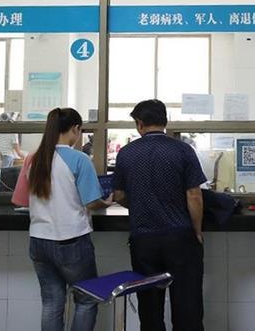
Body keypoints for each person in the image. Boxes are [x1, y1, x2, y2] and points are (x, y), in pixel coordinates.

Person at [12, 108, 112, 331]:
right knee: (86, 300)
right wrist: (106, 203)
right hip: (71, 239)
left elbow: (20, 200)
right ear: (76, 129)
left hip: (39, 240)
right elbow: (91, 202)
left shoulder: (32, 159)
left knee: (51, 303)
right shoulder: (80, 159)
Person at [113, 100, 206, 331]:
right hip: (180, 237)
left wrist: (138, 203)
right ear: (165, 121)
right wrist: (197, 230)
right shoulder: (182, 150)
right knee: (187, 304)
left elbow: (119, 195)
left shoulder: (126, 153)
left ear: (139, 123)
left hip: (143, 239)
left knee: (150, 306)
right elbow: (194, 195)